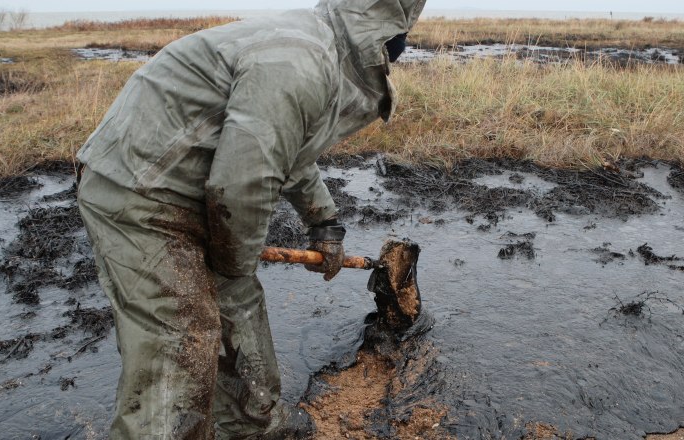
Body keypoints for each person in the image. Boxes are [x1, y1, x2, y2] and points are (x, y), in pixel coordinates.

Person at [75, 0, 426, 438]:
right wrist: (233, 269)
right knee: (181, 334)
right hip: (139, 189)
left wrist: (324, 224)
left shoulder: (324, 48)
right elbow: (242, 183)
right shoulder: (299, 61)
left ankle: (258, 428)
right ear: (377, 46)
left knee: (239, 312)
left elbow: (286, 151)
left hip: (193, 184)